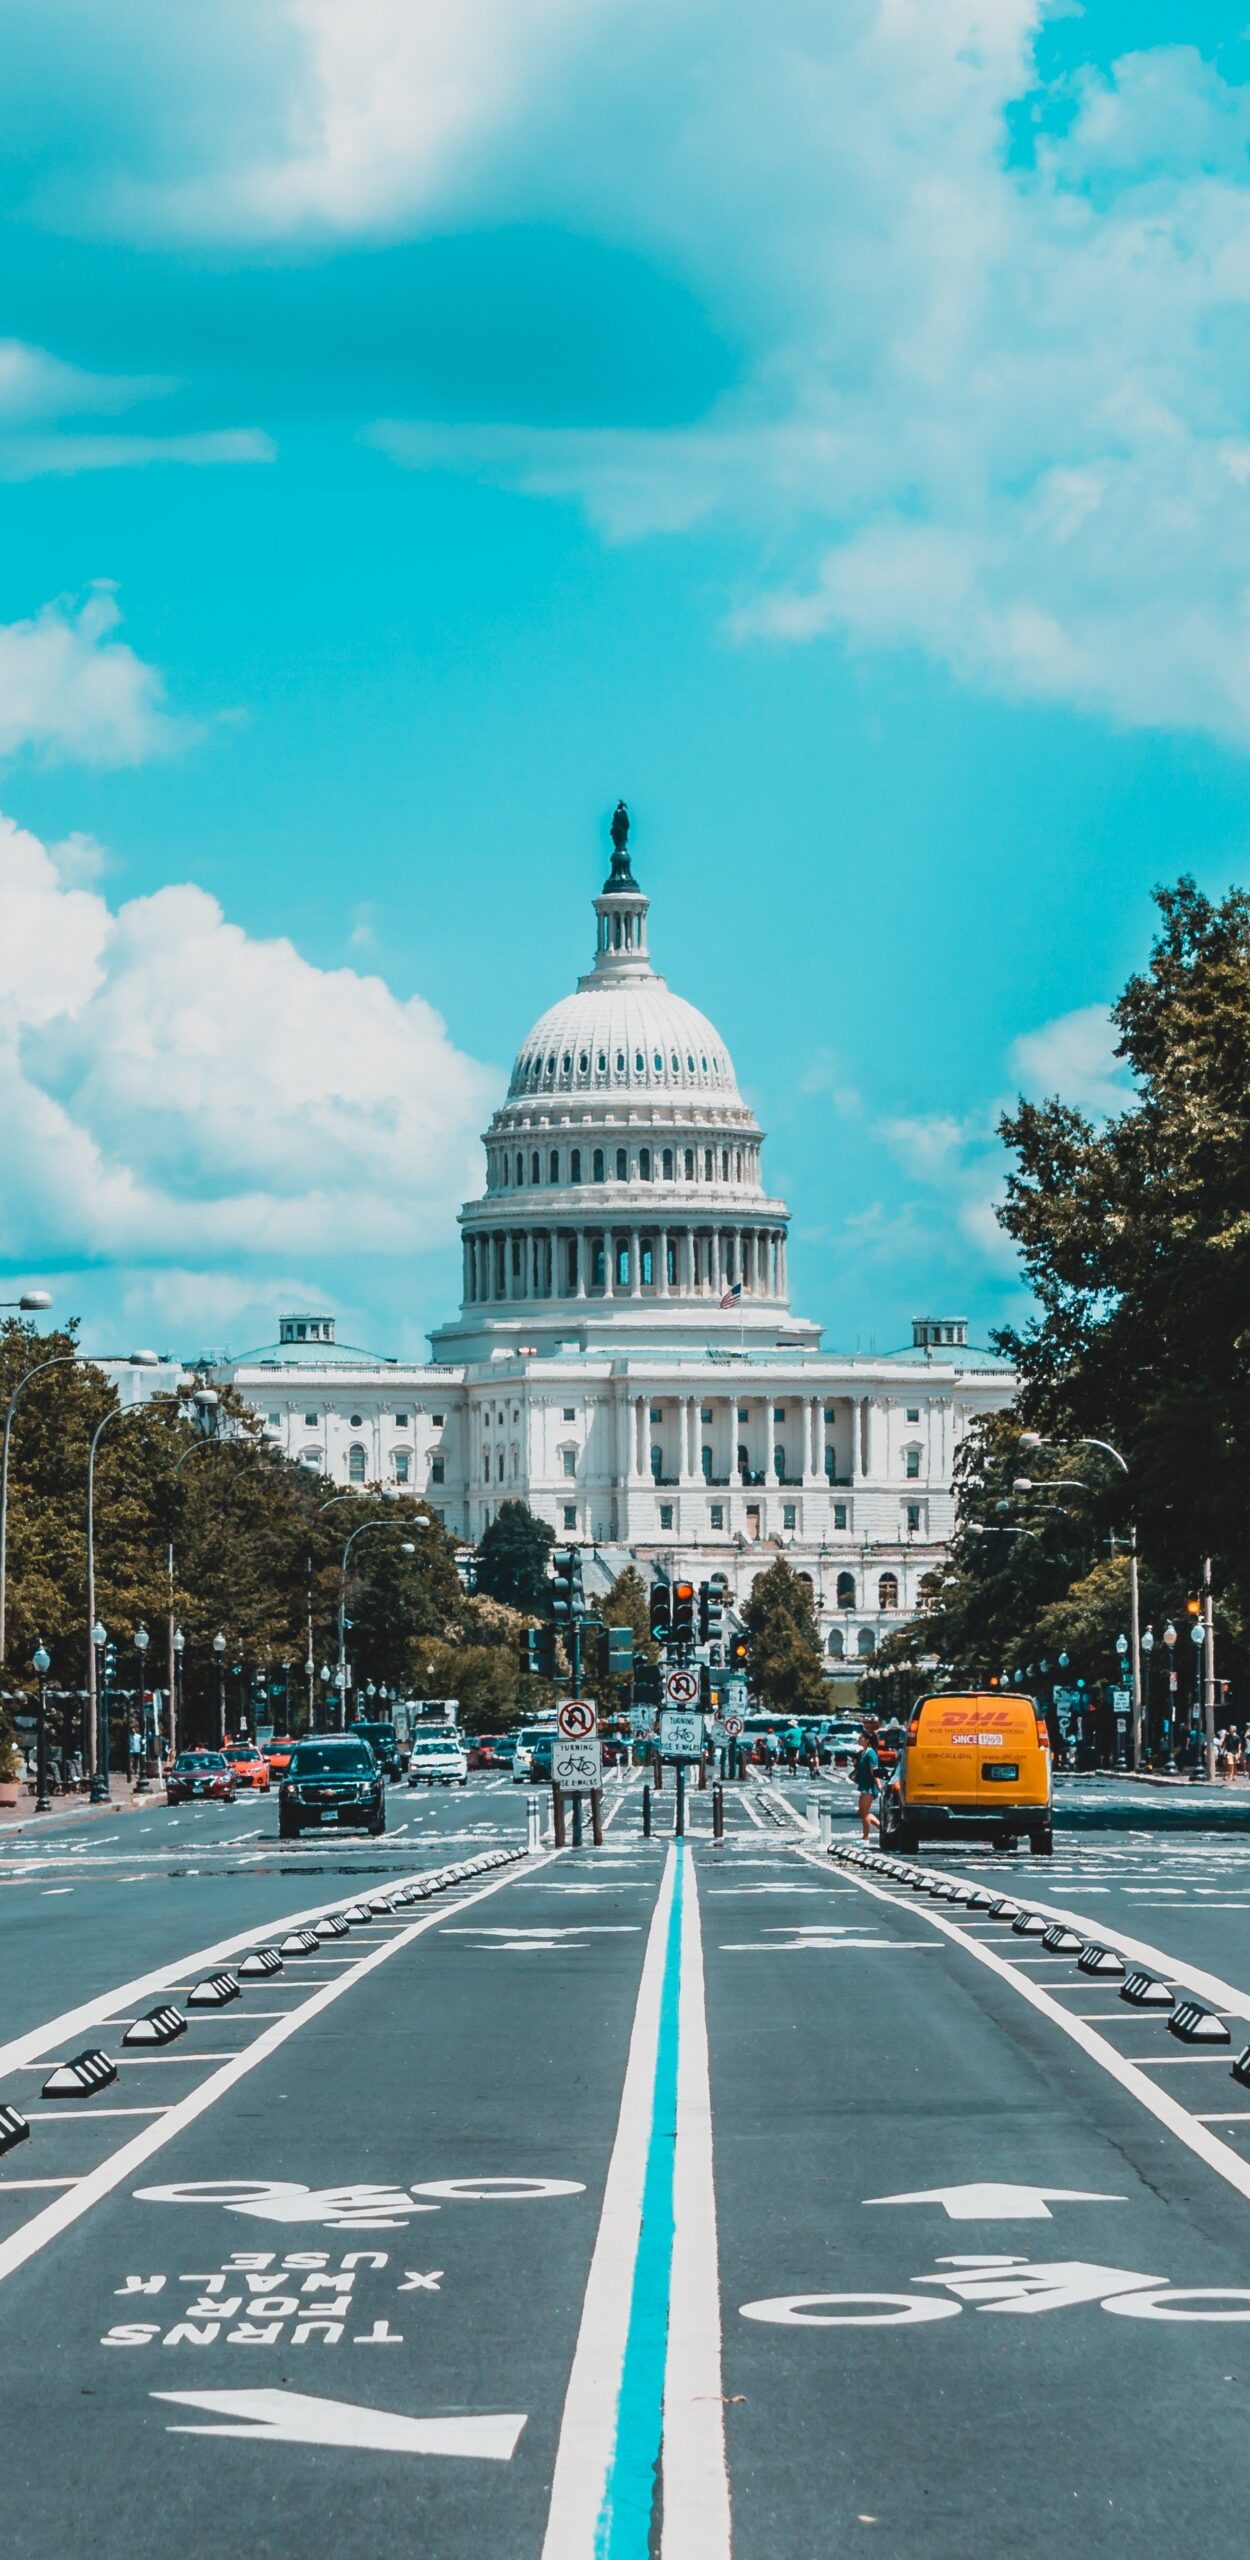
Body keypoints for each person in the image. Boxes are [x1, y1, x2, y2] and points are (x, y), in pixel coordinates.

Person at [854, 1720, 881, 1839]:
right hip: (864, 1785)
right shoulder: (863, 1753)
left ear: (867, 1740)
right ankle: (883, 1828)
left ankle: (865, 1837)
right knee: (862, 1812)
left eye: (861, 1737)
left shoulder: (871, 1754)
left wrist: (879, 1786)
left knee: (864, 1813)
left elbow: (874, 1772)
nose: (859, 1739)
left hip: (869, 1787)